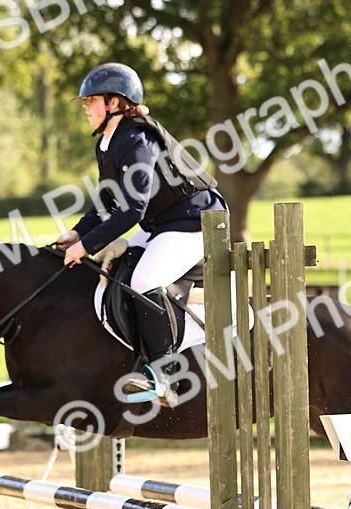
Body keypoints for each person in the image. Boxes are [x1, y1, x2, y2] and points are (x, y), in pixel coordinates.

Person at [54, 63, 227, 408]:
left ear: (114, 103)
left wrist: (87, 246)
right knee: (118, 269)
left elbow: (133, 209)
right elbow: (108, 202)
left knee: (144, 281)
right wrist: (77, 234)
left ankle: (163, 377)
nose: (85, 107)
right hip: (163, 224)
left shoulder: (136, 140)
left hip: (196, 220)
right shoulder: (107, 143)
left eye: (90, 101)